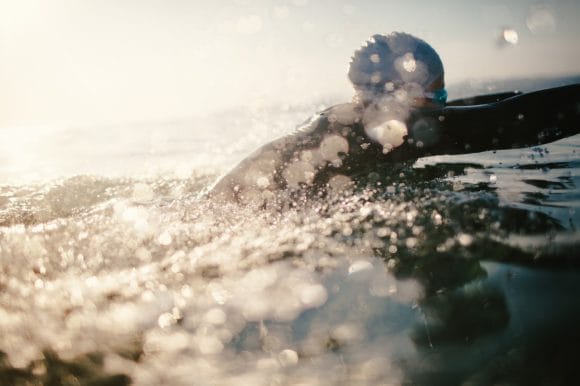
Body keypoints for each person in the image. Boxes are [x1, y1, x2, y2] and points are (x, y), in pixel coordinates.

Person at [209, 32, 580, 205]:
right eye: (440, 92)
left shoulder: (352, 120)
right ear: (409, 95)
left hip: (223, 205)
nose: (445, 104)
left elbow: (471, 110)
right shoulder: (387, 131)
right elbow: (511, 123)